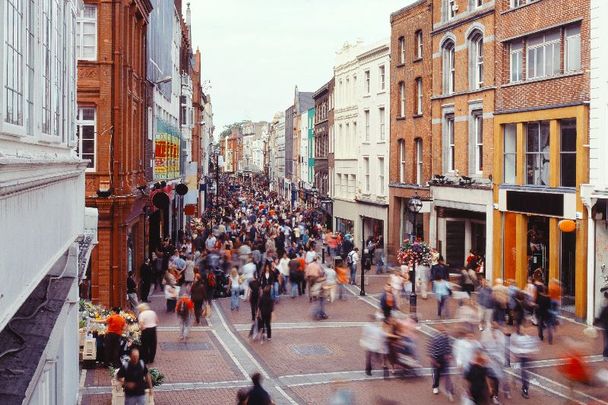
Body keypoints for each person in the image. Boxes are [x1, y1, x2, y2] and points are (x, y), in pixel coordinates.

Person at [510, 327, 540, 399]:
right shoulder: (515, 337)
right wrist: (516, 355)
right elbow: (513, 348)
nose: (523, 330)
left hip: (526, 358)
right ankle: (514, 380)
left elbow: (534, 347)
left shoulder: (529, 337)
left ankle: (525, 389)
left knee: (525, 374)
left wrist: (532, 353)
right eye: (521, 329)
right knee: (518, 372)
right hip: (519, 357)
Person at [427, 325, 454, 401]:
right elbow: (430, 349)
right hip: (436, 359)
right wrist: (434, 361)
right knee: (437, 375)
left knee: (447, 374)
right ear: (438, 330)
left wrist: (449, 354)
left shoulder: (446, 337)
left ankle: (449, 390)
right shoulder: (434, 338)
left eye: (444, 330)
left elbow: (448, 346)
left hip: (444, 359)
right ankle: (435, 386)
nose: (444, 331)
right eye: (442, 330)